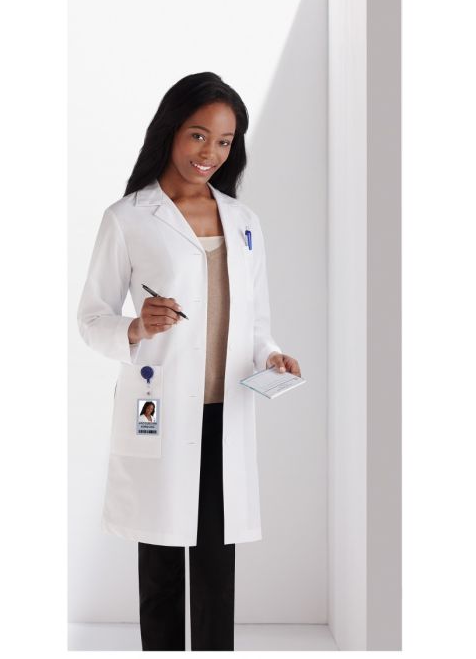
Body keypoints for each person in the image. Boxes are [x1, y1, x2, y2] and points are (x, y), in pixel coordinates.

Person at [77, 71, 302, 651]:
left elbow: (255, 324)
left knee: (215, 569)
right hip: (162, 410)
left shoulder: (243, 221)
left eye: (224, 141)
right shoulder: (129, 217)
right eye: (198, 135)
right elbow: (91, 318)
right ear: (171, 130)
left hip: (225, 413)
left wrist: (273, 356)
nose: (210, 153)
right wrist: (135, 326)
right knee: (159, 567)